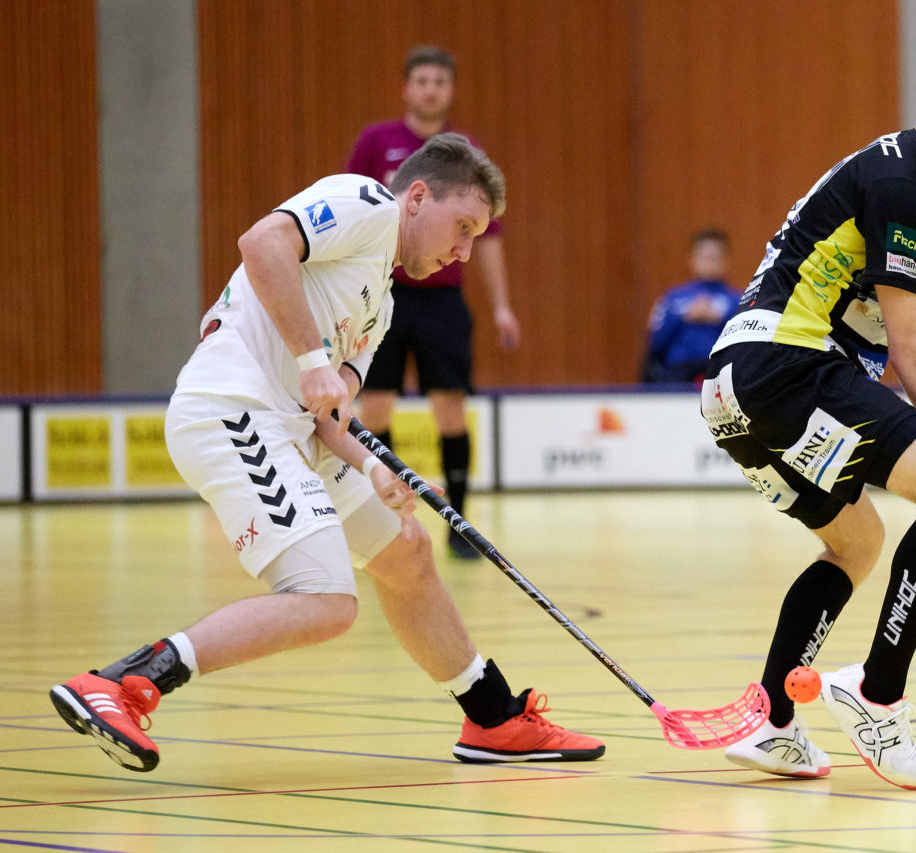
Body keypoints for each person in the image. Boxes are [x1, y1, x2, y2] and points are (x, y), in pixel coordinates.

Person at [48, 133, 603, 773]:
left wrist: (379, 470)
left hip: (291, 430)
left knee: (407, 549)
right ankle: (122, 684)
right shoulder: (365, 202)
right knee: (326, 600)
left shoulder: (382, 304)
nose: (465, 252)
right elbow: (261, 244)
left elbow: (330, 414)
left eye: (477, 236)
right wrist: (314, 362)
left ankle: (494, 718)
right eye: (463, 226)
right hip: (233, 410)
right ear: (418, 196)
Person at [704, 70, 916, 789]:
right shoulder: (898, 186)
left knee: (856, 541)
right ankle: (877, 692)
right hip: (788, 365)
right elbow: (913, 348)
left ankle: (772, 721)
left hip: (733, 390)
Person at [346, 45, 519, 561]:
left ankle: (459, 525)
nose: (430, 90)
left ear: (450, 90)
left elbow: (488, 237)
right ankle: (381, 519)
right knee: (374, 405)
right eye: (421, 81)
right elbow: (357, 211)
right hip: (385, 293)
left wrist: (502, 306)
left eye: (439, 82)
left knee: (450, 406)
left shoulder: (465, 151)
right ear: (407, 88)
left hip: (443, 299)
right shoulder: (377, 142)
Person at [640, 228, 741, 384]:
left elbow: (745, 343)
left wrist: (721, 319)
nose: (710, 263)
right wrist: (683, 317)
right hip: (678, 373)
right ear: (692, 259)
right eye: (705, 257)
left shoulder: (738, 300)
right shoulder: (672, 298)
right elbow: (655, 344)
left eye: (715, 257)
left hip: (722, 373)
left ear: (726, 261)